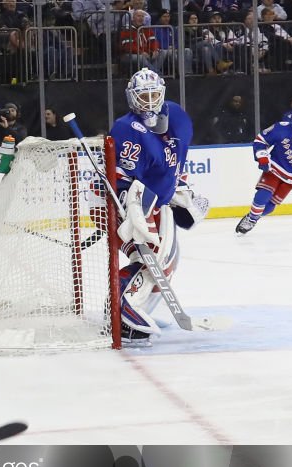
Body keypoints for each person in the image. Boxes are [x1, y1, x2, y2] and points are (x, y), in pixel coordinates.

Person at [110, 69, 206, 342]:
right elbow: (119, 179)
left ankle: (138, 309)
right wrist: (131, 207)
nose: (150, 101)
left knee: (167, 261)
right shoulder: (127, 129)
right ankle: (121, 307)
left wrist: (180, 189)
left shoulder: (176, 115)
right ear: (132, 98)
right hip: (123, 203)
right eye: (144, 95)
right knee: (149, 256)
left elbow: (177, 159)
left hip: (156, 202)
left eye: (154, 94)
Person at [235, 112, 292, 235]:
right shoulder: (281, 127)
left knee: (270, 207)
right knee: (262, 196)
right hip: (274, 169)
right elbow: (260, 140)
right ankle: (251, 220)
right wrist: (262, 157)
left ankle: (253, 216)